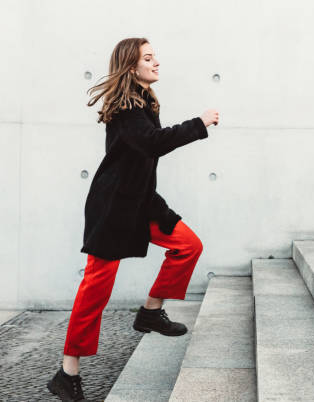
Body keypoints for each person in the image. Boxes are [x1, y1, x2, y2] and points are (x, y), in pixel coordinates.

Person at [46, 37, 219, 401]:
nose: (157, 63)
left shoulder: (143, 100)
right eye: (148, 58)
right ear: (131, 67)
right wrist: (198, 124)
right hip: (112, 208)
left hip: (141, 201)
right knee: (95, 290)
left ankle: (151, 312)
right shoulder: (125, 107)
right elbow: (153, 142)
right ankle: (67, 372)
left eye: (156, 57)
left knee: (188, 245)